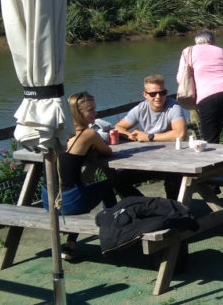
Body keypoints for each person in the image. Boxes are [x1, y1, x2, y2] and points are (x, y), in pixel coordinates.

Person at [42, 91, 117, 260]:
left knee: (82, 189)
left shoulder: (56, 133)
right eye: (90, 110)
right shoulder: (88, 134)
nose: (95, 113)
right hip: (69, 202)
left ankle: (70, 245)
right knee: (106, 185)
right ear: (77, 113)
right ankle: (113, 232)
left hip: (48, 200)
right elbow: (108, 151)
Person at [113, 74, 188, 200]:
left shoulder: (174, 107)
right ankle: (147, 206)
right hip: (150, 160)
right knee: (119, 180)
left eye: (162, 93)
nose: (158, 97)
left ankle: (174, 208)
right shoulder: (140, 108)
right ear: (145, 95)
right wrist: (129, 135)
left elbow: (180, 134)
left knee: (174, 182)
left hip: (174, 159)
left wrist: (149, 137)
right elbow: (118, 127)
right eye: (153, 94)